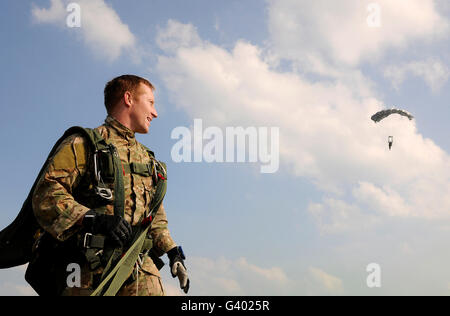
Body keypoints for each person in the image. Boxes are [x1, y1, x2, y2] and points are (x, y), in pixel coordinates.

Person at [28, 74, 189, 296]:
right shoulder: (84, 144)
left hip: (138, 267)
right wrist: (93, 219)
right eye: (150, 103)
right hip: (87, 267)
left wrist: (172, 252)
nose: (155, 112)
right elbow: (46, 195)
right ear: (128, 98)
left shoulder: (149, 161)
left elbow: (154, 217)